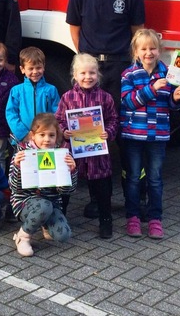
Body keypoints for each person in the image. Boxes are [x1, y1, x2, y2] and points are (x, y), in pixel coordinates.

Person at [65, 0, 145, 218]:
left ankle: (134, 198)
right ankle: (98, 199)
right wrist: (88, 62)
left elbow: (137, 31)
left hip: (120, 70)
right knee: (91, 137)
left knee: (120, 134)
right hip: (92, 75)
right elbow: (75, 29)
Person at [121, 29, 180, 239]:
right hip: (134, 135)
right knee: (132, 178)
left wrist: (176, 98)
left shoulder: (170, 73)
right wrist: (152, 89)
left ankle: (155, 218)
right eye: (144, 49)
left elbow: (173, 106)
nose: (149, 53)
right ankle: (133, 217)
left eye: (153, 48)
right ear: (136, 52)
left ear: (160, 51)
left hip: (158, 135)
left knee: (155, 178)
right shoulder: (129, 74)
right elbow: (128, 102)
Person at [55, 53, 119, 239]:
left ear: (97, 74)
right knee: (66, 185)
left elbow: (113, 119)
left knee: (102, 188)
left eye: (92, 73)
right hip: (72, 151)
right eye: (83, 73)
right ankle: (61, 218)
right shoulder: (67, 97)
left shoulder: (105, 97)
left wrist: (108, 132)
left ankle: (105, 220)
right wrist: (63, 131)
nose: (87, 77)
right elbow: (58, 119)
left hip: (97, 153)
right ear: (75, 75)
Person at [8, 113, 77, 257]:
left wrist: (71, 172)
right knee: (44, 206)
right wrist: (17, 167)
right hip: (24, 202)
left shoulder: (60, 155)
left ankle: (44, 223)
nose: (47, 139)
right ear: (33, 135)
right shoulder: (22, 154)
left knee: (63, 235)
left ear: (56, 136)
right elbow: (14, 187)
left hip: (51, 203)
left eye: (51, 135)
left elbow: (66, 191)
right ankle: (23, 236)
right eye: (42, 135)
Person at [5, 46, 61, 145]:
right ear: (22, 69)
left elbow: (56, 113)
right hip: (22, 140)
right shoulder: (16, 91)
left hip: (45, 140)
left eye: (38, 67)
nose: (35, 72)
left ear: (44, 67)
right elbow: (11, 114)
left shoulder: (51, 90)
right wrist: (23, 134)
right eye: (30, 68)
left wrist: (51, 133)